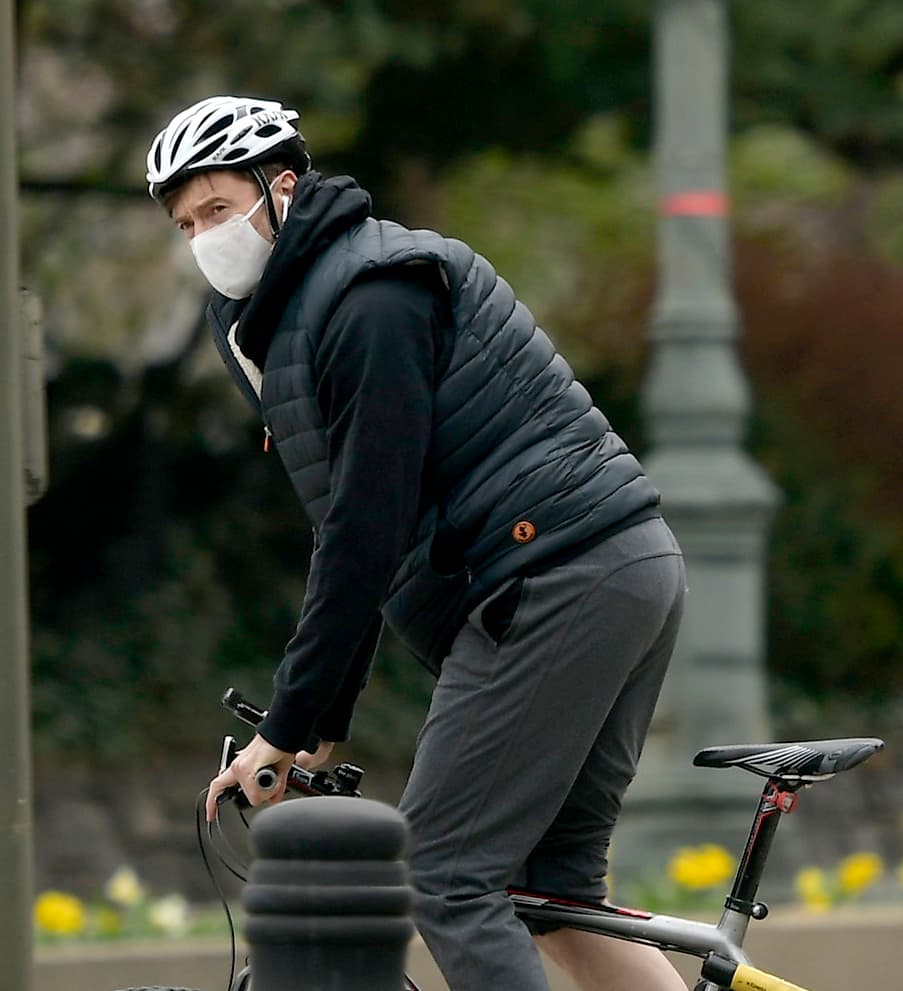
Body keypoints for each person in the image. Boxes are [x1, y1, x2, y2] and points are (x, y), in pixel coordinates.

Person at [147, 95, 688, 991]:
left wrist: (288, 723)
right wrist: (318, 720)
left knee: (446, 872)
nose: (204, 237)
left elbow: (368, 525)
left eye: (217, 208)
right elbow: (351, 526)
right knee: (548, 890)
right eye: (185, 224)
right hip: (612, 564)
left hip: (550, 577)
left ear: (283, 189)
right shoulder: (276, 317)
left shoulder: (371, 296)